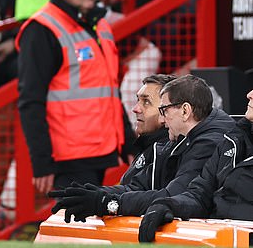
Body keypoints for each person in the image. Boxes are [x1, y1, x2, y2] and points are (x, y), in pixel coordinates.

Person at [49, 74, 236, 222]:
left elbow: (175, 197)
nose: (136, 109)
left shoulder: (208, 141)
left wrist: (107, 203)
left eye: (148, 102)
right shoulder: (172, 142)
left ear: (185, 111)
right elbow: (136, 187)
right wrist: (96, 195)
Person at [15, 0, 126, 195]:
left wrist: (126, 140)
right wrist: (42, 161)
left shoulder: (99, 24)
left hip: (102, 151)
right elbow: (30, 100)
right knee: (75, 230)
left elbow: (110, 91)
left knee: (91, 230)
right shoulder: (42, 29)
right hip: (69, 157)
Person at [138, 88, 253, 242]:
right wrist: (168, 206)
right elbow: (199, 194)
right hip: (217, 238)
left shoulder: (216, 141)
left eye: (165, 109)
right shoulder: (234, 140)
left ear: (186, 110)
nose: (249, 94)